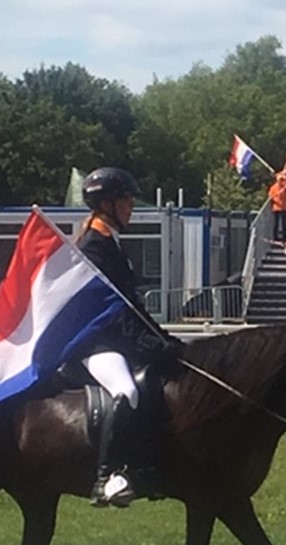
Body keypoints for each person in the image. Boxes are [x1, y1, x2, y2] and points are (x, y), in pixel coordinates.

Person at [75, 167, 185, 508]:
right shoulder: (94, 247)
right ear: (106, 204)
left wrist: (165, 339)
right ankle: (106, 476)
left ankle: (148, 464)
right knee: (126, 389)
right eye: (127, 200)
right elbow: (111, 313)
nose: (132, 206)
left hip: (117, 338)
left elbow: (133, 306)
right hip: (97, 343)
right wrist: (150, 345)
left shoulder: (111, 243)